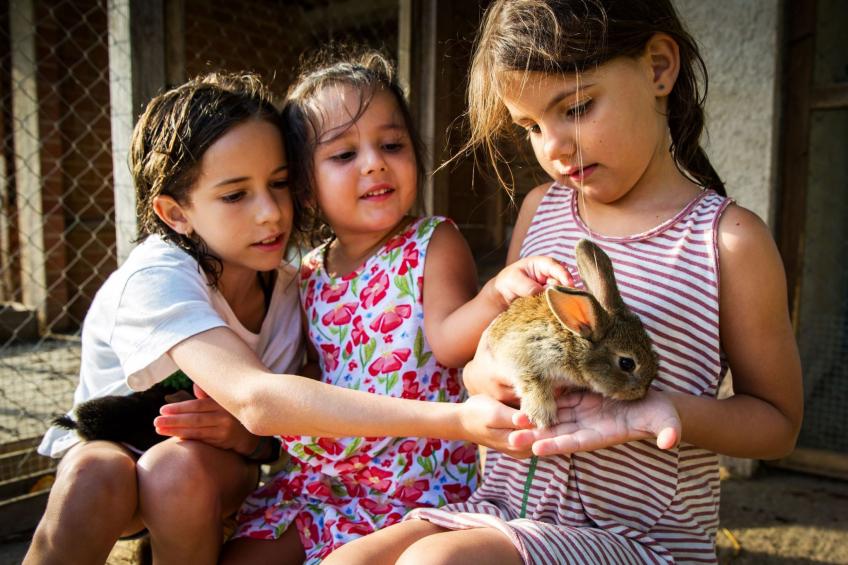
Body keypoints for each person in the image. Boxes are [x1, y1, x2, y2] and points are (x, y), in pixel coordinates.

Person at [325, 1, 803, 563]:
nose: (552, 148)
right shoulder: (540, 211)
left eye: (575, 107)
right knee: (350, 560)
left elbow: (777, 425)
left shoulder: (727, 241)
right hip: (505, 506)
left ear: (657, 68)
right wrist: (490, 379)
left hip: (640, 538)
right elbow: (487, 354)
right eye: (530, 126)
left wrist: (662, 411)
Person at [218, 50, 572, 565]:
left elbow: (450, 345)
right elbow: (317, 367)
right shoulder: (310, 272)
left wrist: (496, 293)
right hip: (328, 478)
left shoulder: (431, 243)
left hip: (415, 482)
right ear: (305, 190)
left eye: (391, 144)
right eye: (343, 155)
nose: (374, 162)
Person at [25, 73, 305, 564]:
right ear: (176, 214)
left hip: (206, 466)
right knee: (95, 475)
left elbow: (270, 441)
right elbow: (256, 396)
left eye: (278, 183)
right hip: (111, 447)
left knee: (174, 471)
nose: (271, 213)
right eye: (236, 195)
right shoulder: (157, 276)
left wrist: (243, 436)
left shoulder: (286, 290)